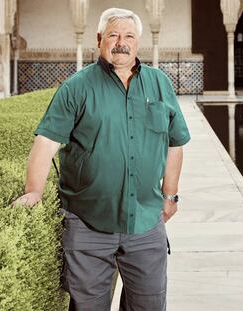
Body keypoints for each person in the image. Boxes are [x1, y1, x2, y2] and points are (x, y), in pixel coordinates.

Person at [14, 7, 190, 311]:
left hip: (146, 223)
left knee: (149, 306)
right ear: (99, 39)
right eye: (114, 35)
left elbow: (175, 142)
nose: (121, 42)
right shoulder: (77, 87)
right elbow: (46, 142)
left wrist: (170, 194)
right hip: (87, 224)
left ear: (138, 42)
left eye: (129, 36)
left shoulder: (159, 83)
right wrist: (34, 191)